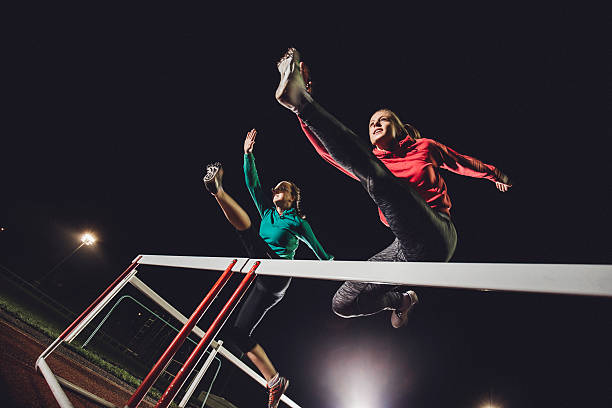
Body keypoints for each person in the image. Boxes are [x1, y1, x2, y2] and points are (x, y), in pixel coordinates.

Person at [275, 48, 512, 329]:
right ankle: (401, 301)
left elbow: (461, 162)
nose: (375, 124)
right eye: (371, 123)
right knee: (343, 303)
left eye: (382, 120)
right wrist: (304, 114)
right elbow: (329, 153)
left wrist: (495, 174)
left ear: (398, 127)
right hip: (402, 247)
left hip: (437, 234)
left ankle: (302, 102)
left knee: (382, 183)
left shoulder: (424, 148)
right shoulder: (373, 162)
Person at [203, 128, 333, 408]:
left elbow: (321, 253)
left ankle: (218, 191)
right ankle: (275, 380)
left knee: (249, 235)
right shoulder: (267, 212)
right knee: (237, 333)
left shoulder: (297, 221)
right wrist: (248, 154)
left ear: (293, 198)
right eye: (276, 188)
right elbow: (253, 184)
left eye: (283, 189)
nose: (277, 190)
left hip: (277, 274)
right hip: (260, 274)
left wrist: (342, 272)